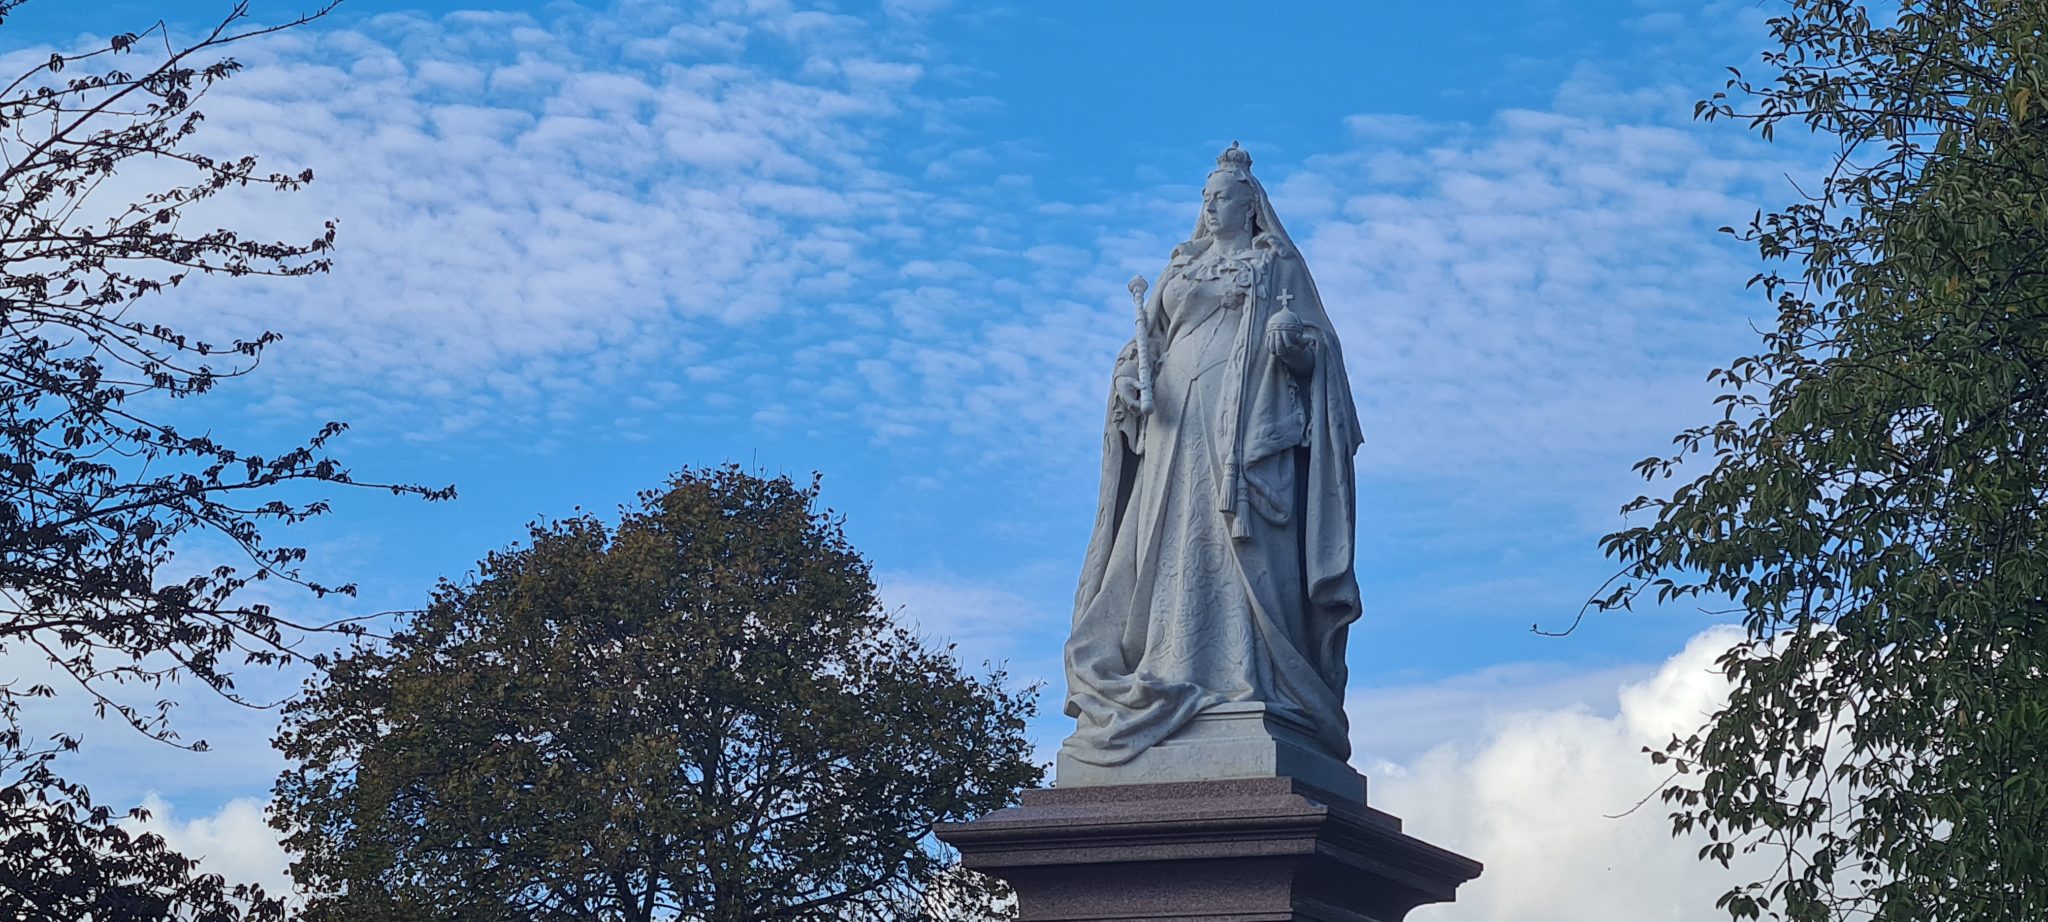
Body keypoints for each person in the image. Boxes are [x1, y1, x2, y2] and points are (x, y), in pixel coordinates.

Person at [1061, 142, 1364, 770]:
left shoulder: (1275, 265)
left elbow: (1319, 351)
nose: (1210, 206)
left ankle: (1251, 680)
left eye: (1221, 197)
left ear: (1250, 207)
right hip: (1173, 425)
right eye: (1206, 198)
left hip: (1248, 432)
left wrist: (1296, 349)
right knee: (1170, 544)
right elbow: (1143, 345)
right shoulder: (1180, 269)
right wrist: (1126, 383)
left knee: (1239, 545)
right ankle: (1170, 664)